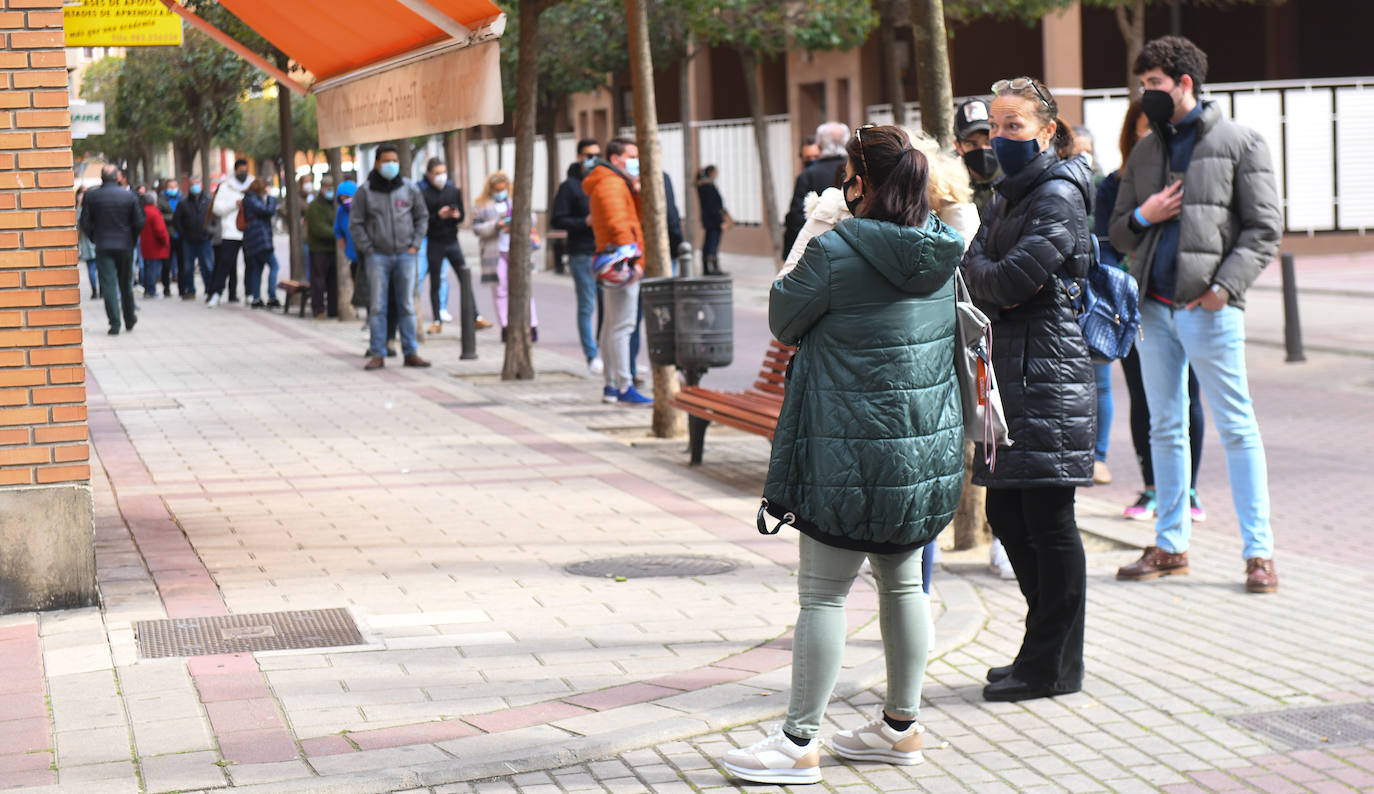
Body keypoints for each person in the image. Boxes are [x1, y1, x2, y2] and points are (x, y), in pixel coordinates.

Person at [723, 125, 965, 785]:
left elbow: (782, 315)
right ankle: (900, 729)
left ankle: (800, 741)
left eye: (845, 175)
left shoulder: (837, 250)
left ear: (860, 183)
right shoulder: (944, 249)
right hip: (918, 456)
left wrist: (818, 230)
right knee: (904, 584)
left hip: (846, 452)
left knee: (824, 599)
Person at [1110, 36, 1282, 593]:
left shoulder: (1240, 141)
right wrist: (1144, 212)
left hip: (1209, 308)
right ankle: (1171, 544)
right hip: (1153, 311)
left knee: (1236, 426)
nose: (1145, 95)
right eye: (1142, 86)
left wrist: (1223, 288)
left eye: (1154, 85)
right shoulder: (1145, 151)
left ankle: (1259, 554)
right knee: (1165, 427)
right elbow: (1115, 229)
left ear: (1185, 84)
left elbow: (1264, 229)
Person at [962, 77, 1095, 703]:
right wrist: (990, 276)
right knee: (1006, 512)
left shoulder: (1058, 194)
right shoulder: (1006, 196)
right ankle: (1047, 650)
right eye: (995, 126)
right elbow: (974, 268)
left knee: (1046, 517)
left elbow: (1009, 276)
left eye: (1014, 126)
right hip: (1012, 374)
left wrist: (989, 276)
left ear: (1046, 131)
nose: (1000, 137)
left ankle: (1049, 666)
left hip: (1049, 375)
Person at [1098, 102, 1208, 523]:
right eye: (1146, 134)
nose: (1154, 144)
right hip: (1133, 308)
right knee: (1143, 398)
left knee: (1188, 395)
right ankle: (1152, 488)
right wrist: (1145, 217)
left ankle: (1188, 488)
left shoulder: (1191, 182)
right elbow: (1108, 243)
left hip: (1185, 302)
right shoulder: (1113, 186)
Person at [583, 138, 651, 405]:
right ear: (615, 159)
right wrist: (633, 259)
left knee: (612, 325)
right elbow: (619, 222)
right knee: (623, 326)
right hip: (621, 260)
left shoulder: (609, 181)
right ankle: (624, 385)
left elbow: (632, 216)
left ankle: (612, 385)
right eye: (631, 155)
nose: (636, 161)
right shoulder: (611, 183)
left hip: (611, 257)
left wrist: (635, 192)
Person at [352, 144, 431, 370]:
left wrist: (415, 244)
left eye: (395, 161)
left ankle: (410, 352)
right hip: (378, 257)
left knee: (406, 305)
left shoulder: (409, 188)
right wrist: (368, 248)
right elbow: (356, 224)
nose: (391, 165)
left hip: (406, 255)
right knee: (377, 306)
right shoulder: (365, 191)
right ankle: (378, 352)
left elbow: (422, 217)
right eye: (387, 161)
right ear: (377, 163)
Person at [419, 157, 479, 357]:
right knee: (435, 280)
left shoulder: (453, 191)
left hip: (452, 241)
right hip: (434, 242)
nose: (441, 176)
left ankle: (475, 315)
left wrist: (456, 216)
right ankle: (437, 319)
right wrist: (439, 216)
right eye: (437, 173)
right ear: (429, 174)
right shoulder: (423, 193)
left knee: (465, 277)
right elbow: (423, 220)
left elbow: (462, 214)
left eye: (443, 172)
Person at [551, 139, 601, 373]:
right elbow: (558, 219)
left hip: (605, 252)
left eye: (597, 154)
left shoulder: (603, 182)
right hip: (581, 253)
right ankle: (591, 355)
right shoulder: (569, 186)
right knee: (587, 306)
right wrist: (584, 222)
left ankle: (604, 351)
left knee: (608, 307)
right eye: (588, 154)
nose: (593, 159)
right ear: (579, 156)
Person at [472, 170, 539, 344]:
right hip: (494, 252)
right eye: (496, 189)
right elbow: (477, 229)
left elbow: (532, 218)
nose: (500, 191)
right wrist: (496, 225)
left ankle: (530, 325)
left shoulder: (516, 199)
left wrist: (516, 222)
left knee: (523, 288)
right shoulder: (482, 204)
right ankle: (506, 326)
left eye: (503, 188)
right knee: (500, 289)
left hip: (516, 249)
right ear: (490, 189)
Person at [80, 164, 144, 335]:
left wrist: (95, 237)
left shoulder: (92, 196)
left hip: (103, 245)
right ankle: (129, 318)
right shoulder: (129, 196)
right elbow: (139, 222)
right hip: (125, 245)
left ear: (102, 177)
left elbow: (85, 222)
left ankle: (114, 323)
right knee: (126, 284)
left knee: (108, 285)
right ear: (117, 177)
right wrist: (131, 237)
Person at [783, 122, 849, 259]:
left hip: (815, 251)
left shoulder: (808, 175)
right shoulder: (857, 170)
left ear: (819, 144)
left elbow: (797, 218)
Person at [209, 159, 252, 306]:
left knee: (250, 264)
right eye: (241, 171)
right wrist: (234, 204)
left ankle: (250, 293)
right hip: (230, 231)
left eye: (245, 170)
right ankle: (216, 293)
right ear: (235, 171)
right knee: (225, 263)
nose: (243, 173)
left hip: (249, 232)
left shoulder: (252, 184)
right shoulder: (226, 186)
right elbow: (217, 209)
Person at [954, 98, 1001, 215]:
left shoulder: (1014, 178)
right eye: (972, 144)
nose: (982, 149)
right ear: (958, 147)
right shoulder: (952, 188)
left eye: (988, 142)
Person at [240, 178, 280, 309]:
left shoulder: (249, 199)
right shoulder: (252, 199)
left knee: (257, 269)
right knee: (274, 265)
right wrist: (270, 198)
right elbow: (268, 211)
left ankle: (256, 298)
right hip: (260, 239)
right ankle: (272, 296)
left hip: (253, 240)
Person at [173, 177, 213, 300]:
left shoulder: (208, 201)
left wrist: (210, 232)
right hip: (188, 240)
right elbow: (177, 221)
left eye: (197, 183)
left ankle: (209, 290)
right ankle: (190, 290)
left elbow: (213, 218)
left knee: (207, 266)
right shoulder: (183, 202)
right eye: (192, 184)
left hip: (204, 239)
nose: (195, 186)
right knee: (188, 267)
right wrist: (183, 234)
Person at [305, 176, 339, 318]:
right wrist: (338, 233)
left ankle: (333, 309)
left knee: (333, 282)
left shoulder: (336, 205)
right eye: (328, 188)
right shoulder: (314, 206)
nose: (330, 191)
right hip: (319, 249)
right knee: (318, 280)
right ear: (322, 188)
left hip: (334, 249)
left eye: (332, 188)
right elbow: (319, 229)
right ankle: (318, 309)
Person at [696, 166, 731, 276]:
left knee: (710, 243)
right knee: (712, 244)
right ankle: (712, 269)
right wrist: (720, 221)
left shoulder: (705, 186)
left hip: (710, 220)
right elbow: (714, 206)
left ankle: (709, 268)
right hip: (713, 220)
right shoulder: (707, 187)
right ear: (711, 172)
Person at [139, 192, 170, 299]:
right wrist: (165, 241)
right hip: (156, 246)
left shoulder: (143, 211)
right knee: (154, 270)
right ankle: (151, 291)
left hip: (146, 246)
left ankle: (148, 290)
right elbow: (160, 230)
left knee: (148, 269)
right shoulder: (154, 212)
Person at [157, 179, 180, 298]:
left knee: (182, 263)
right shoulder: (161, 199)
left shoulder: (182, 198)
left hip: (180, 235)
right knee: (166, 264)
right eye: (170, 186)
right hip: (167, 235)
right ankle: (166, 288)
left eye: (174, 186)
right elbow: (159, 215)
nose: (173, 189)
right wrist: (175, 217)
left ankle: (183, 288)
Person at [76, 186, 99, 300]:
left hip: (87, 243)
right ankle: (102, 290)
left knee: (91, 267)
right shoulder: (97, 209)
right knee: (99, 268)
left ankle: (94, 290)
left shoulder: (81, 210)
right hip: (98, 242)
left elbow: (77, 225)